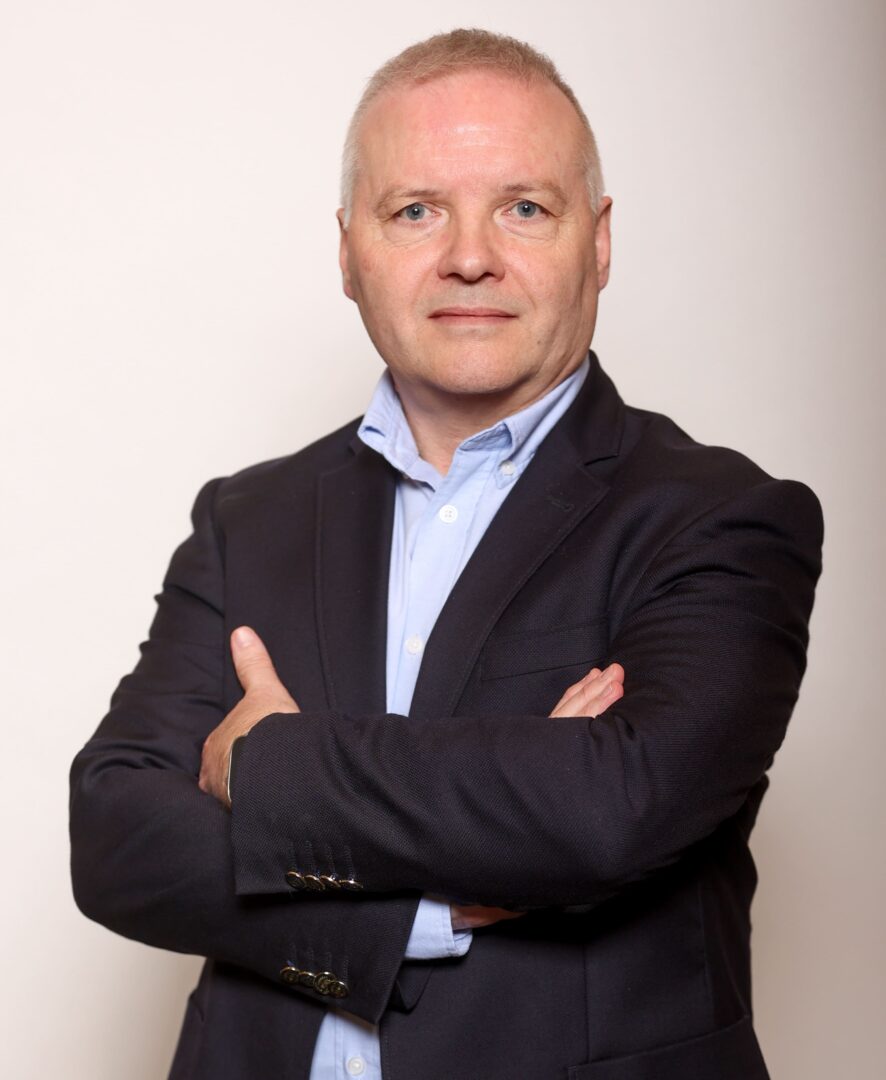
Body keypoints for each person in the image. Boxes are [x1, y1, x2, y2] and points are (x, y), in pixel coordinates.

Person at [69, 28, 823, 1080]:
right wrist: (417, 912)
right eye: (416, 210)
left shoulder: (722, 517)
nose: (470, 255)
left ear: (599, 240)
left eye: (525, 207)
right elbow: (117, 837)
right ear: (348, 252)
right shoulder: (248, 516)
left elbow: (609, 810)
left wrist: (267, 765)